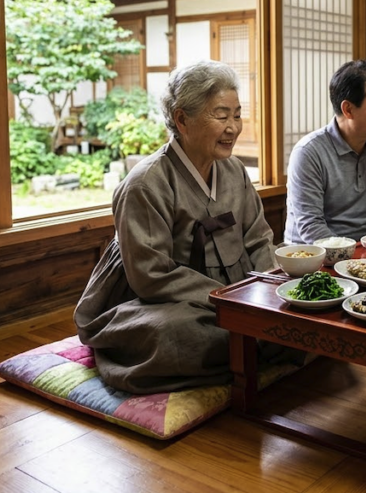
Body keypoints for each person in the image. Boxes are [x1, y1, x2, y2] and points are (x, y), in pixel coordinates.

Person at [75, 60, 296, 394]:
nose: (233, 128)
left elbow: (259, 238)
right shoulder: (146, 183)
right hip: (164, 302)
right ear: (182, 119)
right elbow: (152, 276)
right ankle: (260, 343)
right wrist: (228, 301)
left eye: (237, 115)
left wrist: (270, 291)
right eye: (221, 116)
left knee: (293, 305)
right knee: (179, 334)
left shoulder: (234, 171)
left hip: (237, 294)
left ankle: (253, 340)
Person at [284, 59, 366, 244]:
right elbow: (311, 227)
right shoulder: (308, 153)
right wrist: (352, 257)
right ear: (348, 109)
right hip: (313, 254)